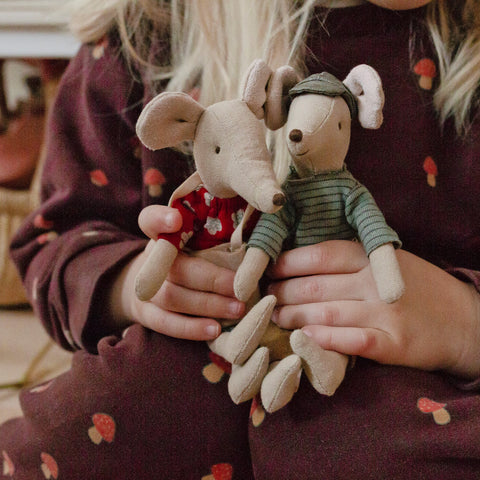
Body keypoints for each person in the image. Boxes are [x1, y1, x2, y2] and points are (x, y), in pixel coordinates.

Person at [1, 0, 480, 478]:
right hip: (180, 386)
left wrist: (463, 324)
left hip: (415, 419)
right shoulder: (148, 29)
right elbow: (54, 243)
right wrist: (132, 286)